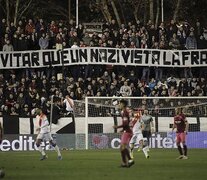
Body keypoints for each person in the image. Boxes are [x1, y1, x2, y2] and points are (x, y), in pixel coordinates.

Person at [113, 99, 134, 168]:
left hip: (128, 132)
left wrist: (117, 127)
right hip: (127, 131)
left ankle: (130, 160)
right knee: (122, 148)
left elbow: (125, 123)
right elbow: (126, 123)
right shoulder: (123, 112)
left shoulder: (125, 112)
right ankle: (124, 163)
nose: (119, 105)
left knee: (123, 147)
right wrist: (122, 129)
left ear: (123, 105)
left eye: (120, 104)